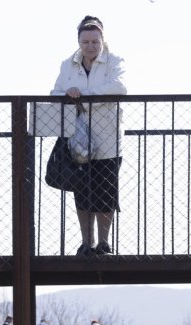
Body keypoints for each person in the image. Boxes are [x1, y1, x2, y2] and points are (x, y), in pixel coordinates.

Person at [51, 15, 126, 256]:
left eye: (95, 41)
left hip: (107, 139)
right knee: (81, 191)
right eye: (86, 42)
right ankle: (87, 243)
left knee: (105, 191)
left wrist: (84, 95)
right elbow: (55, 93)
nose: (91, 46)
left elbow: (119, 88)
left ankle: (104, 243)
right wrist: (69, 95)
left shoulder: (114, 61)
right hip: (78, 141)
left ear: (102, 39)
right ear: (79, 41)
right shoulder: (67, 64)